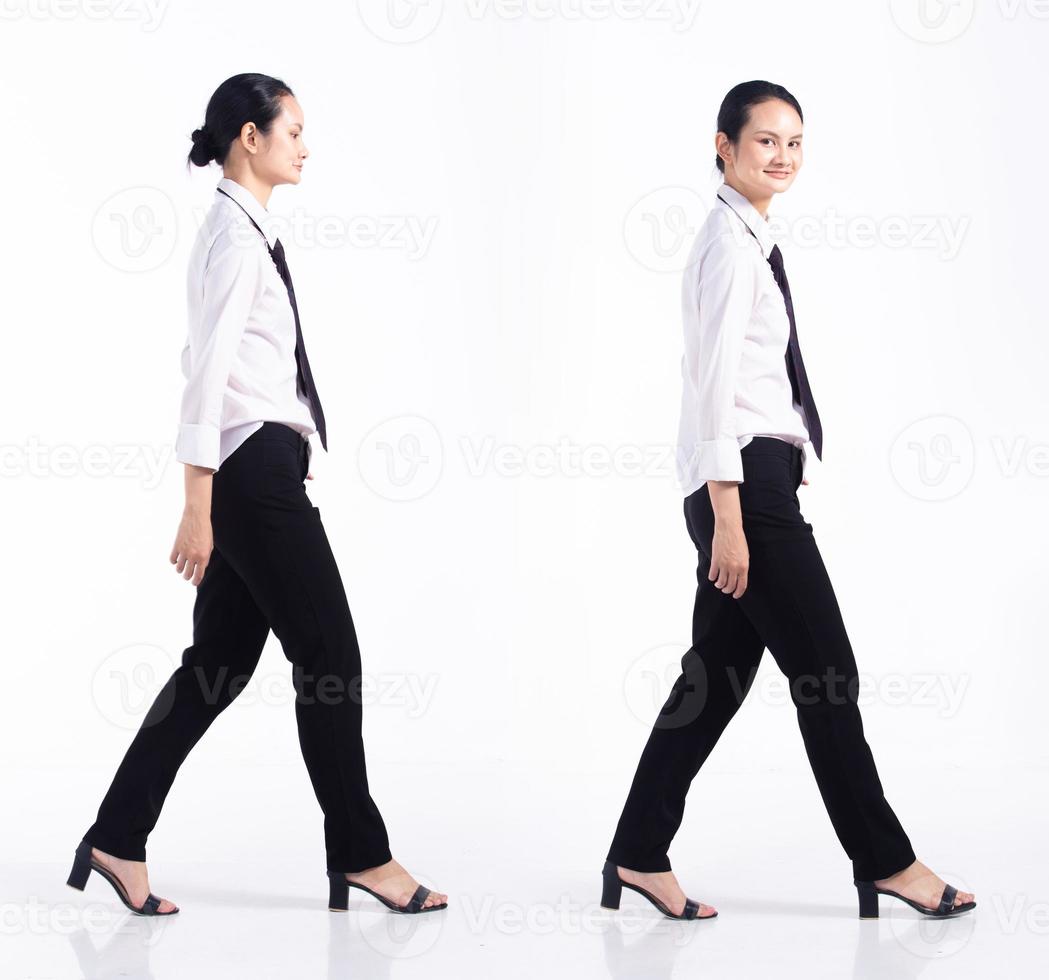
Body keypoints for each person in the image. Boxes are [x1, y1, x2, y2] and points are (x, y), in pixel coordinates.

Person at [67, 73, 447, 917]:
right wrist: (197, 502)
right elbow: (204, 377)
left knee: (217, 666)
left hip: (258, 469)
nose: (306, 146)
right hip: (247, 476)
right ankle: (363, 856)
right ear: (250, 136)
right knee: (331, 658)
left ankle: (117, 837)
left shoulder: (244, 233)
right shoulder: (237, 243)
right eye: (295, 130)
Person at [602, 80, 975, 922]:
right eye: (764, 140)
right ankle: (886, 862)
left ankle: (634, 853)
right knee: (826, 674)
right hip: (743, 492)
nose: (782, 155)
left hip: (753, 482)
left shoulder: (750, 239)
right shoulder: (729, 249)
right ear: (723, 146)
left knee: (716, 678)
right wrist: (729, 515)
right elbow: (714, 392)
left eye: (795, 141)